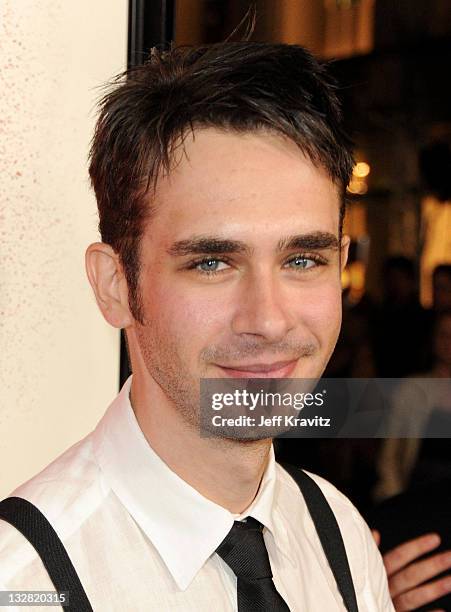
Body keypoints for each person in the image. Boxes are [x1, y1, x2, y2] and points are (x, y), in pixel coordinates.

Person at [0, 40, 398, 610]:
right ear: (115, 285)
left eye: (302, 260)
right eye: (211, 263)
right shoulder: (25, 583)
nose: (267, 319)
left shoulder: (339, 538)